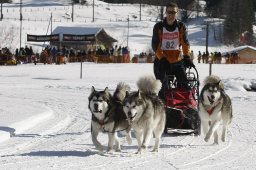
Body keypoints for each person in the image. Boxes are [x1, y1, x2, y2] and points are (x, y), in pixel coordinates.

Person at [152, 2, 194, 100]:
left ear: (177, 13)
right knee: (164, 89)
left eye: (173, 12)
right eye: (169, 12)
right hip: (161, 62)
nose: (171, 15)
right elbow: (155, 45)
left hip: (177, 62)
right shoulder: (158, 27)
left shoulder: (181, 27)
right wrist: (162, 58)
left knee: (184, 86)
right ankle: (162, 109)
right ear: (165, 13)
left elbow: (185, 43)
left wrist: (187, 56)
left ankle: (182, 108)